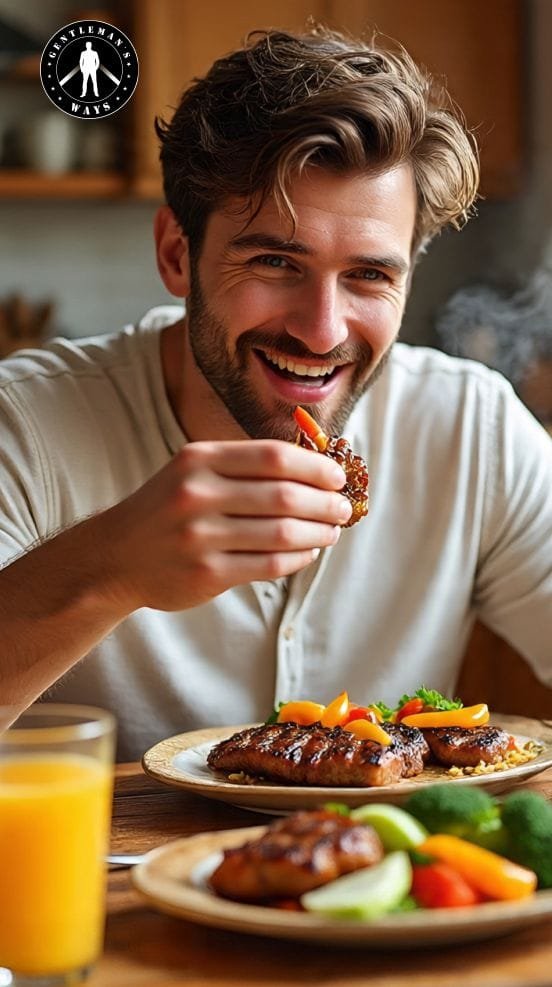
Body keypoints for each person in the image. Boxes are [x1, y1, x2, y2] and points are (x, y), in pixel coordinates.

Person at [1, 28, 550, 760]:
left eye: (369, 275)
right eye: (274, 262)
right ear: (176, 254)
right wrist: (109, 568)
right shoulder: (23, 426)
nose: (322, 332)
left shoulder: (473, 427)